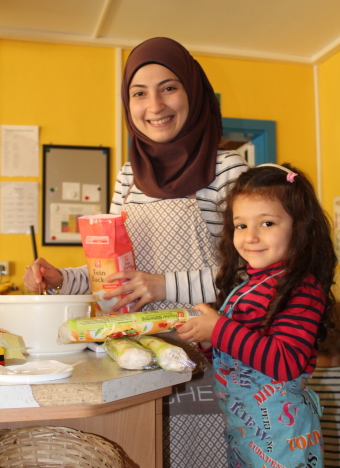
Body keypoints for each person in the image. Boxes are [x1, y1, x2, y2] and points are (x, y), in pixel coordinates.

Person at [23, 37, 248, 467]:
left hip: (210, 354)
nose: (155, 105)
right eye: (139, 93)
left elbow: (245, 276)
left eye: (169, 87)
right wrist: (62, 279)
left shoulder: (228, 169)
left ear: (194, 92)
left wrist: (163, 284)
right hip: (141, 352)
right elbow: (111, 271)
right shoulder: (129, 175)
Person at [177, 162, 338, 468]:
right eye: (241, 225)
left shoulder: (301, 289)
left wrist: (220, 330)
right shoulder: (246, 287)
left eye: (266, 223)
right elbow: (238, 361)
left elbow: (285, 362)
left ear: (300, 227)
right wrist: (208, 342)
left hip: (283, 438)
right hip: (244, 431)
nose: (250, 236)